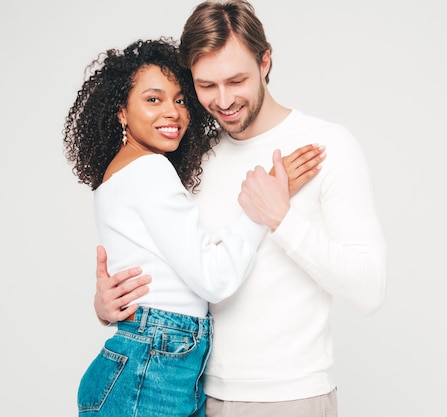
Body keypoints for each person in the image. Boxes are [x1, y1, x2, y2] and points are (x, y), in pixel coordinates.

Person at [94, 1, 387, 416]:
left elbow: (370, 289)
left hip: (291, 398)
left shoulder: (327, 145)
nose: (224, 100)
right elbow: (179, 263)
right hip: (196, 394)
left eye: (236, 80)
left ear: (265, 61)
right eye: (206, 85)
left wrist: (280, 220)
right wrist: (113, 305)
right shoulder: (192, 154)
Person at [63, 37, 321, 416]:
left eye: (181, 100)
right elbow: (214, 280)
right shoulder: (149, 170)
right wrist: (263, 203)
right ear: (121, 110)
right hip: (153, 367)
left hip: (152, 360)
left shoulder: (118, 174)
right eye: (153, 99)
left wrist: (104, 307)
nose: (173, 112)